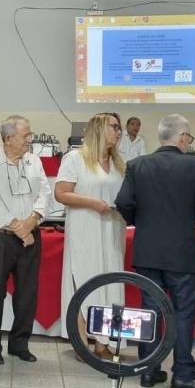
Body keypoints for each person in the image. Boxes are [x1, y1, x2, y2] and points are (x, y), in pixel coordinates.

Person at [116, 113, 195, 388]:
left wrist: (140, 220)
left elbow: (123, 202)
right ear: (183, 137)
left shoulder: (137, 165)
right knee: (183, 313)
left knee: (149, 311)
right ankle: (184, 374)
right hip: (182, 252)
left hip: (147, 250)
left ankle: (148, 370)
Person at [0, 115, 50, 365]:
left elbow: (44, 193)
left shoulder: (34, 160)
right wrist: (21, 229)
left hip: (30, 237)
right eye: (25, 135)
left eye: (30, 134)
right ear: (8, 138)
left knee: (27, 294)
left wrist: (33, 220)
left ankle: (19, 344)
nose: (30, 139)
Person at [54, 113, 127, 361]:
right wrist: (92, 203)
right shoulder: (75, 158)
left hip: (112, 231)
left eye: (119, 128)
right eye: (114, 127)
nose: (118, 131)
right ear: (98, 129)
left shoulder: (119, 162)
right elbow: (61, 193)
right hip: (85, 231)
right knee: (84, 283)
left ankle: (104, 343)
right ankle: (82, 342)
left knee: (111, 285)